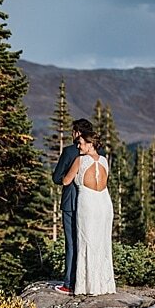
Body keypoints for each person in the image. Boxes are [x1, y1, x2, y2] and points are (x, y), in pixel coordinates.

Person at [61, 129, 116, 296]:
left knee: (86, 241)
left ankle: (88, 285)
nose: (78, 146)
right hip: (104, 202)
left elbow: (65, 181)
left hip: (88, 202)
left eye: (82, 143)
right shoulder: (105, 160)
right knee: (102, 243)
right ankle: (104, 284)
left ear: (90, 144)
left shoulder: (80, 160)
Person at [51, 119, 94, 292]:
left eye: (73, 131)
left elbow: (56, 178)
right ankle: (86, 281)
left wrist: (66, 178)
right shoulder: (98, 153)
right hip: (92, 202)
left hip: (71, 202)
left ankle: (69, 283)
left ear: (78, 133)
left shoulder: (70, 151)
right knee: (87, 241)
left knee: (71, 243)